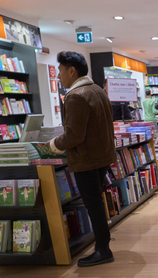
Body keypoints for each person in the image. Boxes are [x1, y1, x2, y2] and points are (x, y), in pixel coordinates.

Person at [47, 51, 117, 267]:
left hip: (87, 159)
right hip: (101, 156)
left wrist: (52, 146)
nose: (59, 76)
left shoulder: (76, 96)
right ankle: (103, 245)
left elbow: (74, 136)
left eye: (60, 70)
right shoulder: (97, 90)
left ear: (71, 70)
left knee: (93, 204)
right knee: (96, 202)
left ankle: (103, 249)